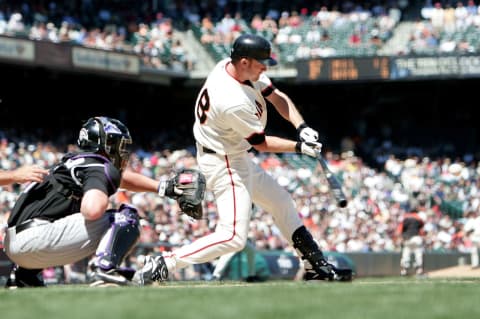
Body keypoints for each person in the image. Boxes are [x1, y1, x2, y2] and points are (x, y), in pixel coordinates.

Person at [135, 33, 352, 284]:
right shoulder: (231, 99)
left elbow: (276, 96)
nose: (266, 67)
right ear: (245, 61)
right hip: (223, 162)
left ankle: (315, 267)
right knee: (233, 237)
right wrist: (300, 147)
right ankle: (164, 263)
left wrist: (301, 125)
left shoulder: (234, 68)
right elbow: (260, 143)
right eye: (262, 62)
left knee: (281, 201)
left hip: (234, 155)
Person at [2, 116, 197, 288]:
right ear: (103, 143)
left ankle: (24, 277)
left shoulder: (73, 163)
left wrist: (163, 187)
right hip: (35, 239)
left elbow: (121, 178)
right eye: (117, 143)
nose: (122, 150)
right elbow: (92, 210)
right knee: (124, 217)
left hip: (14, 245)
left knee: (61, 213)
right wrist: (100, 198)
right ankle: (104, 269)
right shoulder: (98, 166)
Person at [397, 205, 427, 276]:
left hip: (407, 238)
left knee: (406, 254)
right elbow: (422, 230)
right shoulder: (419, 218)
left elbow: (400, 229)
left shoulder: (405, 217)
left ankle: (404, 270)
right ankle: (419, 270)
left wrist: (400, 238)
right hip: (416, 238)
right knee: (418, 254)